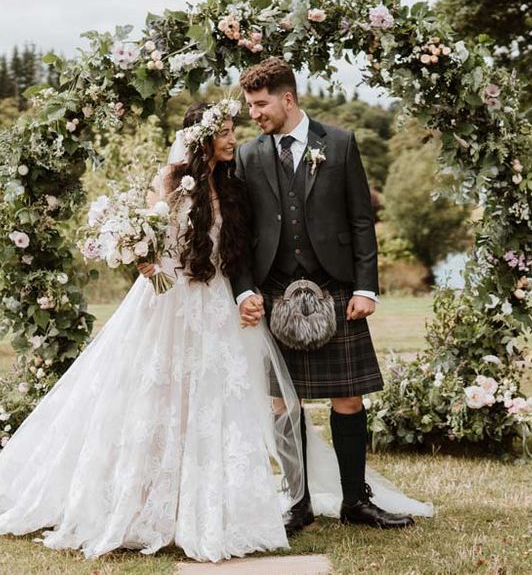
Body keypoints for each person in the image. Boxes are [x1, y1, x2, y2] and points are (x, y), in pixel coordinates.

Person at [0, 101, 306, 561]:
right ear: (201, 138)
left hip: (215, 304)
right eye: (223, 131)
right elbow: (147, 235)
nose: (231, 138)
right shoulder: (168, 181)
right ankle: (144, 502)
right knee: (156, 397)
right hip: (166, 301)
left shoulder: (235, 187)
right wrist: (139, 256)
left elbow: (237, 256)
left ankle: (216, 507)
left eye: (232, 129)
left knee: (215, 403)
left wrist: (245, 295)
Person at [233, 57, 424, 535]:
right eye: (250, 106)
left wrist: (365, 287)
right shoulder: (247, 155)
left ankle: (355, 501)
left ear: (287, 98)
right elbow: (237, 235)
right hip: (275, 293)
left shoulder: (338, 143)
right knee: (283, 403)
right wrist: (243, 292)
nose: (254, 113)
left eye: (260, 104)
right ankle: (296, 502)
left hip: (337, 289)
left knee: (348, 398)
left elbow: (362, 219)